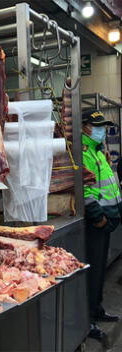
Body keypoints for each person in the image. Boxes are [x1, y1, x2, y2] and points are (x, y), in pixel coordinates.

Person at [81, 109, 122, 341]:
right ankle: (88, 320)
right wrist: (98, 217)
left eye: (104, 126)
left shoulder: (97, 151)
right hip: (96, 222)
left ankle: (97, 310)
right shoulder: (84, 152)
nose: (102, 130)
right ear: (86, 127)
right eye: (98, 126)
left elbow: (109, 185)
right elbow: (87, 190)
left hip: (107, 219)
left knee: (99, 272)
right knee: (93, 271)